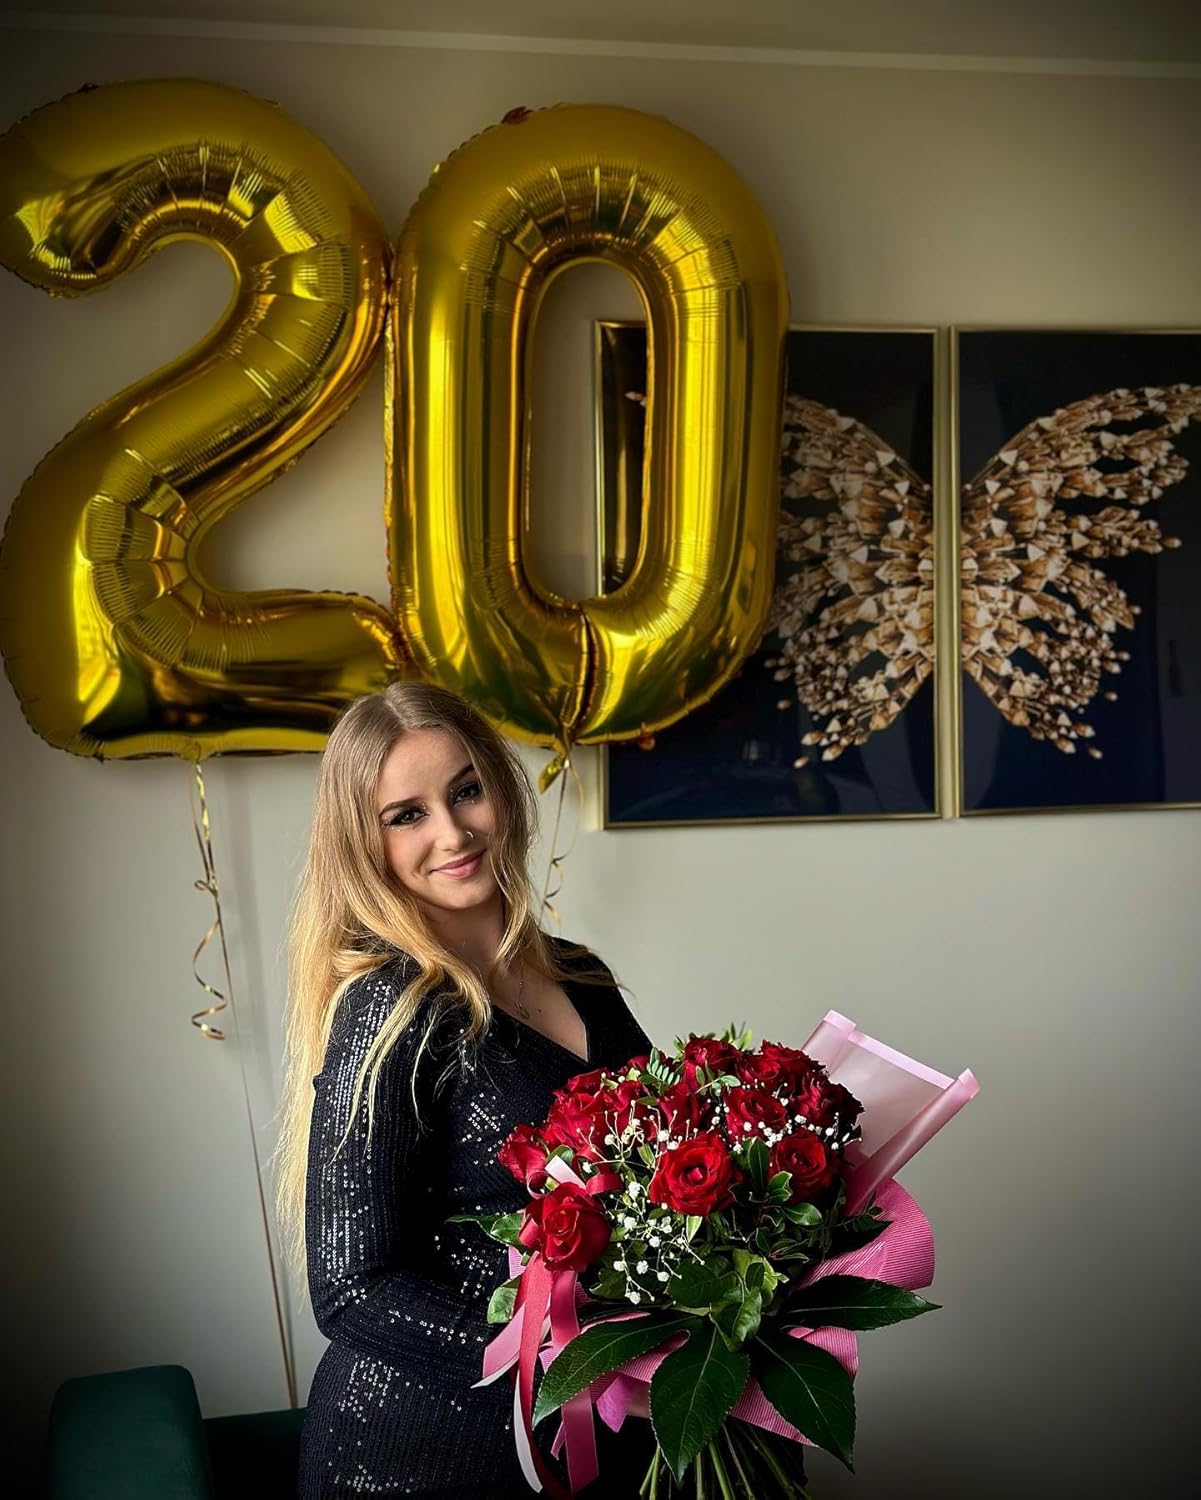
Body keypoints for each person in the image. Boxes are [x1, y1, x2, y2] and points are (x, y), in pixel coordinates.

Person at [275, 681, 659, 1498]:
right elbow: (351, 1292)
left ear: (500, 788)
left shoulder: (582, 975)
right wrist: (565, 1360)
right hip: (418, 1453)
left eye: (465, 791)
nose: (451, 833)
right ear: (363, 844)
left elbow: (653, 1174)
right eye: (405, 815)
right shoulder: (390, 1007)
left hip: (593, 1423)